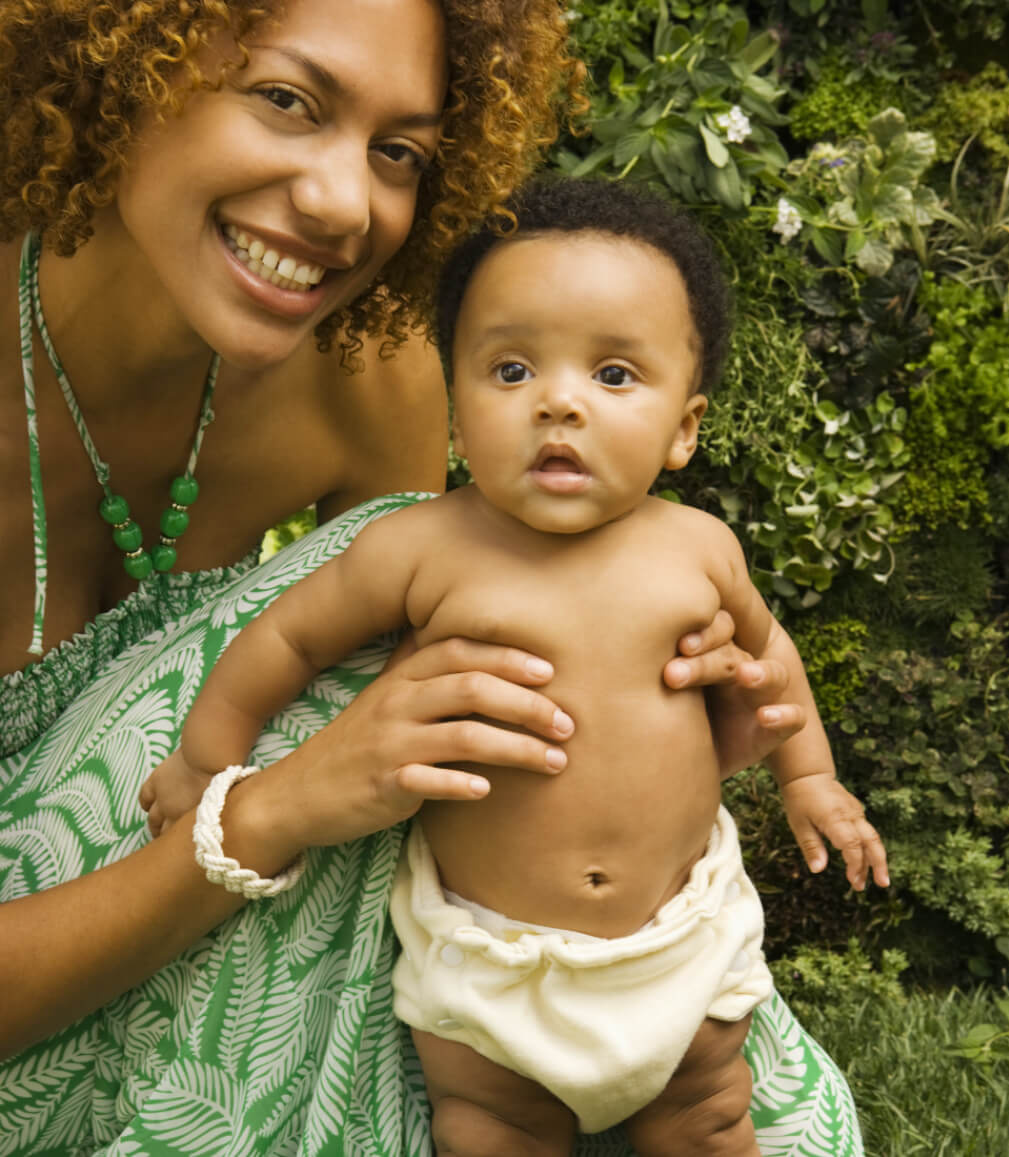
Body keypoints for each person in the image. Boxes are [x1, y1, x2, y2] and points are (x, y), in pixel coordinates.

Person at [142, 178, 888, 1155]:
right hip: (486, 961)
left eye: (613, 375)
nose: (558, 403)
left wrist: (809, 775)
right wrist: (208, 755)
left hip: (678, 937)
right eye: (510, 370)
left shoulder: (698, 549)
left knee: (707, 1113)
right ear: (455, 407)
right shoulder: (421, 549)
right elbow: (288, 638)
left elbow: (766, 659)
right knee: (492, 1126)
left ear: (684, 427)